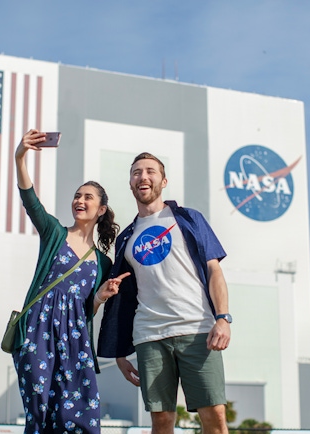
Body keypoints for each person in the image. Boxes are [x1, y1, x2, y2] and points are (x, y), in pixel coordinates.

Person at [98, 152, 232, 434]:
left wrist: (222, 317)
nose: (143, 177)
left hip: (197, 330)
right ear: (131, 183)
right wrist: (120, 351)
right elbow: (122, 299)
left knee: (215, 416)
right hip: (150, 335)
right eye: (136, 172)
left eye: (150, 171)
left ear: (163, 180)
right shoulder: (127, 238)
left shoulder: (188, 219)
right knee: (160, 420)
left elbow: (214, 271)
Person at [11, 129, 129, 434]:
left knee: (79, 414)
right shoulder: (55, 233)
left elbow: (86, 311)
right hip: (38, 331)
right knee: (39, 412)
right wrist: (20, 156)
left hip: (76, 341)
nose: (80, 200)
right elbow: (30, 201)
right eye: (77, 195)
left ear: (101, 209)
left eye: (88, 197)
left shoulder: (103, 262)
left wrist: (101, 296)